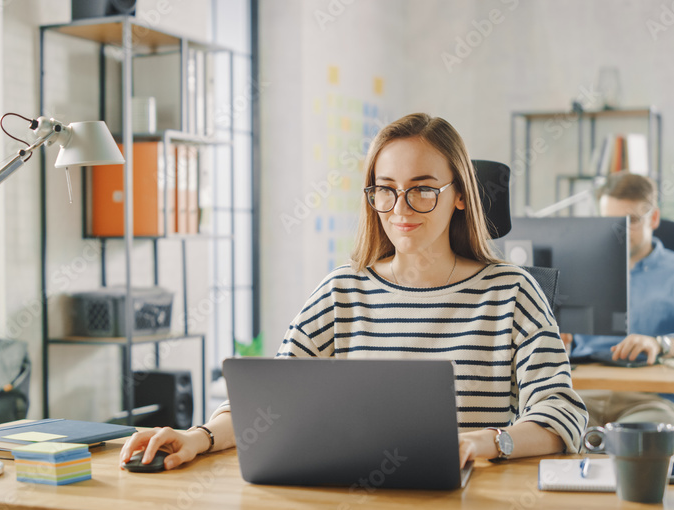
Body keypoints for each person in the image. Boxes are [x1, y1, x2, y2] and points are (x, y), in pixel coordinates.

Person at [121, 113, 588, 474]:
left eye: (422, 190)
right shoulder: (343, 289)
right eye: (386, 190)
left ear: (461, 194)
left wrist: (484, 441)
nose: (400, 208)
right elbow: (272, 399)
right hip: (353, 507)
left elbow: (562, 414)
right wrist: (198, 437)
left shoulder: (510, 292)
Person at [566, 172, 674, 454]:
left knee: (637, 453)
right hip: (580, 394)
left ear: (655, 218)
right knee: (546, 444)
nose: (620, 231)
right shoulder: (577, 270)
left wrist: (659, 343)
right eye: (610, 221)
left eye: (632, 221)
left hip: (651, 398)